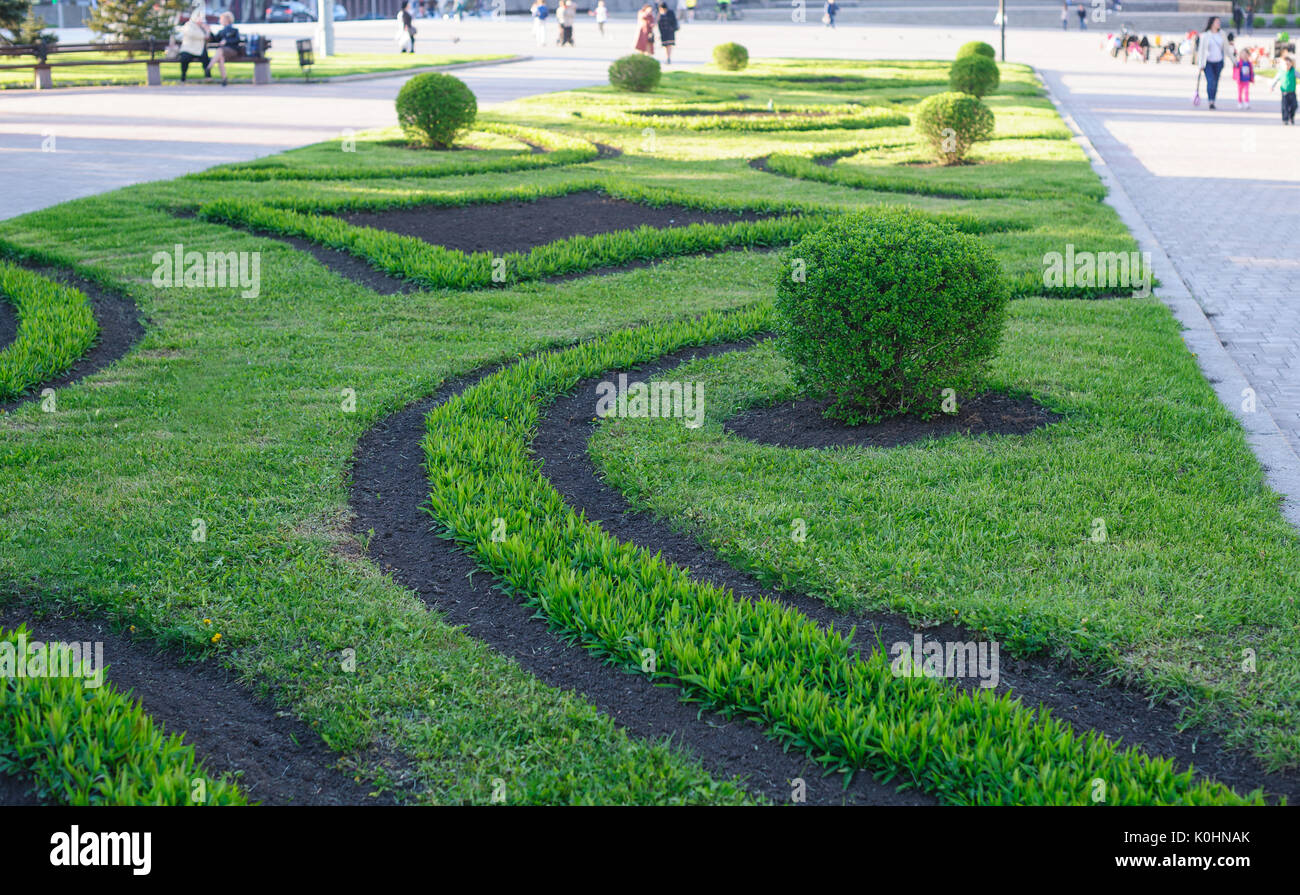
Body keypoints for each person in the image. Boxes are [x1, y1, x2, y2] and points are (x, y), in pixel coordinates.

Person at [1196, 16, 1234, 109]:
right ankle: (1210, 101)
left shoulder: (1222, 34)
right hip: (1208, 62)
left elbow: (1227, 49)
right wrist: (1200, 64)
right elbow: (1201, 51)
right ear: (1212, 23)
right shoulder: (1205, 35)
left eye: (1219, 22)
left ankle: (1213, 100)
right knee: (1211, 81)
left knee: (1216, 82)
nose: (1218, 23)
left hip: (1219, 62)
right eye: (1217, 21)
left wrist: (1234, 61)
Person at [177, 5, 211, 82]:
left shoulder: (203, 27)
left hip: (199, 49)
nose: (200, 20)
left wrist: (207, 31)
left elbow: (210, 38)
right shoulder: (189, 25)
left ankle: (208, 76)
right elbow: (194, 35)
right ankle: (183, 75)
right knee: (185, 58)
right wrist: (205, 33)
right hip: (188, 48)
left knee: (206, 58)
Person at [207, 11, 239, 86]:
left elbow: (237, 40)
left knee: (220, 50)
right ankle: (224, 79)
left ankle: (208, 68)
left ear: (227, 20)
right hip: (223, 52)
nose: (220, 21)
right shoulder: (221, 31)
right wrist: (209, 31)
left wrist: (227, 41)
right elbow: (214, 39)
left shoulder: (234, 30)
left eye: (221, 19)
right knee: (220, 58)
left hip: (232, 51)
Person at [1273, 54, 1297, 124]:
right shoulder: (1281, 72)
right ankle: (1285, 119)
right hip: (1284, 93)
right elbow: (1275, 80)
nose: (1287, 66)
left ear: (1291, 64)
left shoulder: (1293, 71)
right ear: (1282, 65)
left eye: (1288, 64)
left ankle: (1291, 117)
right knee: (1284, 107)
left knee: (1294, 106)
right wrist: (1272, 86)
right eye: (1285, 64)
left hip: (1292, 93)